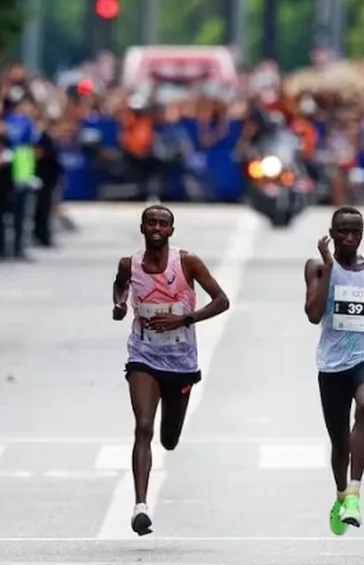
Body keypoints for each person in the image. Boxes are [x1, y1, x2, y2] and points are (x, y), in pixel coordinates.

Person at [111, 204, 230, 536]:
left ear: (171, 231)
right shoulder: (129, 263)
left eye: (163, 223)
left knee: (169, 438)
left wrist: (185, 318)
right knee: (143, 427)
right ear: (142, 227)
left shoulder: (187, 262)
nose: (157, 228)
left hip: (180, 362)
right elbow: (120, 285)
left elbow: (221, 300)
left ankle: (169, 433)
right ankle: (140, 507)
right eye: (151, 222)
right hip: (143, 355)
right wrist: (120, 304)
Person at [303, 206, 364, 535]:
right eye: (342, 231)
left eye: (356, 231)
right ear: (331, 232)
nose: (350, 237)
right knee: (339, 442)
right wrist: (329, 267)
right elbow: (314, 314)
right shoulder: (316, 267)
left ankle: (354, 494)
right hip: (331, 365)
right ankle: (341, 495)